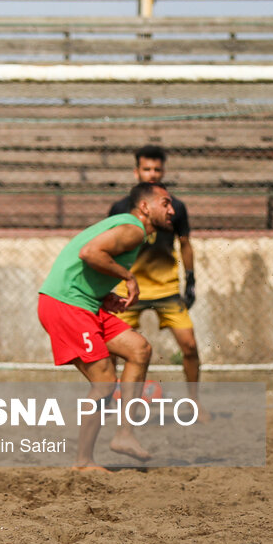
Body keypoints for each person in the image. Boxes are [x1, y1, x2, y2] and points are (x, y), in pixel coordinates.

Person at [37, 182, 175, 470]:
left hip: (85, 302)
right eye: (165, 203)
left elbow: (87, 263)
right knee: (104, 382)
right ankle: (83, 462)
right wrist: (128, 277)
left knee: (139, 349)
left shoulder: (130, 229)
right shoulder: (134, 228)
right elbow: (90, 253)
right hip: (66, 304)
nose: (172, 210)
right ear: (145, 207)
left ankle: (124, 435)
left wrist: (104, 294)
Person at [108, 145, 207, 420]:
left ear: (164, 171)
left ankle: (194, 403)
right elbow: (109, 248)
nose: (152, 174)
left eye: (157, 169)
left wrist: (191, 280)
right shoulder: (119, 208)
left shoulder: (175, 207)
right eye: (146, 169)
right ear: (136, 171)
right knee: (114, 350)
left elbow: (185, 245)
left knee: (189, 346)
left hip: (166, 289)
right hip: (128, 291)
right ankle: (111, 401)